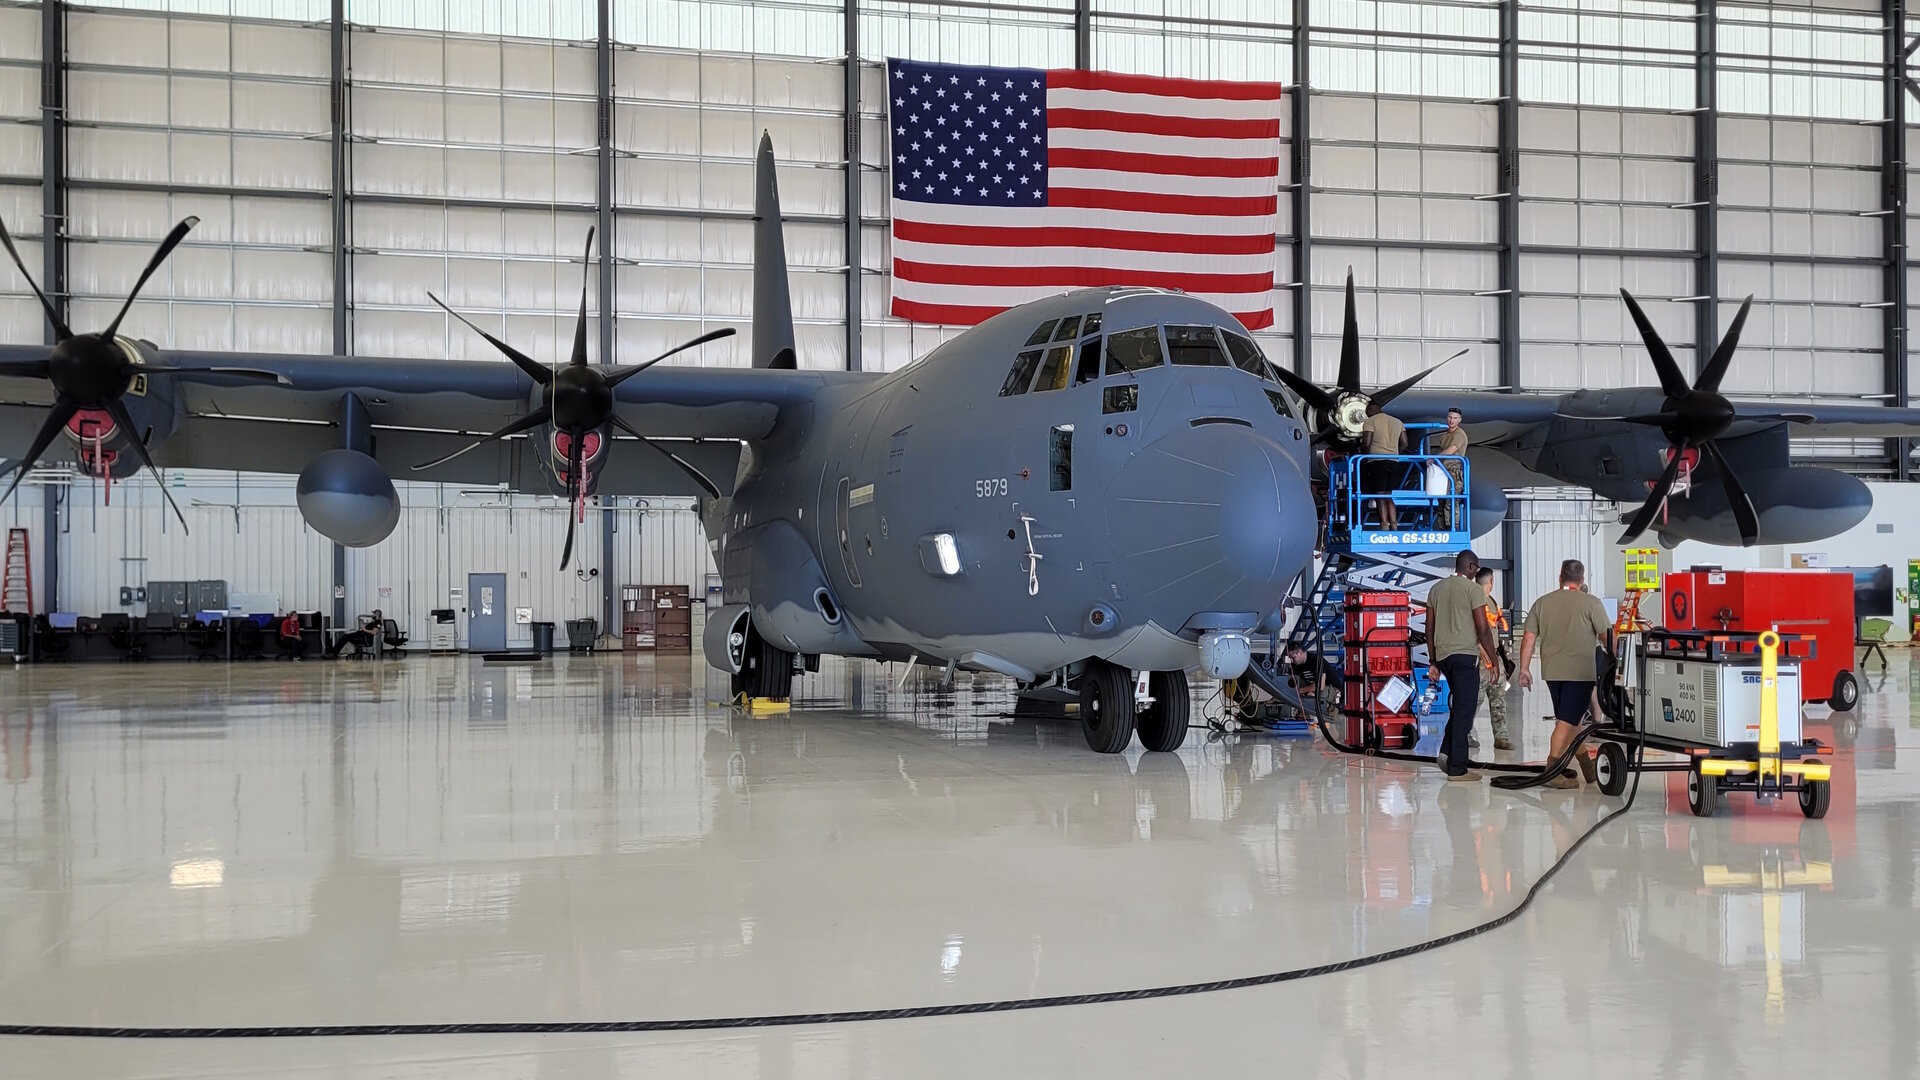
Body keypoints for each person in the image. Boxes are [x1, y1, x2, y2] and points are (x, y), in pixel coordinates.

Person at [1516, 560, 1613, 789]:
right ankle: (1552, 771)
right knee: (1567, 721)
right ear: (1582, 580)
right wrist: (1618, 661)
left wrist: (1524, 668)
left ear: (1560, 578)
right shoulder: (1591, 603)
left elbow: (1528, 638)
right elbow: (1607, 637)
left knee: (1572, 721)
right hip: (1579, 673)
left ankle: (1587, 767)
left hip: (1552, 672)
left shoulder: (1542, 603)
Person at [1425, 549, 1499, 781]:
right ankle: (1457, 769)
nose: (1476, 572)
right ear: (1470, 567)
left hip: (1445, 656)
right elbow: (1483, 628)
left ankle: (1447, 753)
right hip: (1465, 656)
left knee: (1459, 707)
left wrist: (1433, 661)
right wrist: (1493, 660)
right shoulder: (1473, 590)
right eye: (1475, 568)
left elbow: (1429, 628)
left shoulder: (1436, 589)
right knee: (1466, 711)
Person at [1473, 567, 1514, 752]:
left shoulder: (1490, 601)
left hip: (1494, 657)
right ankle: (1464, 733)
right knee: (1475, 699)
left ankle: (1501, 737)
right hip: (1480, 660)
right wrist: (1480, 650)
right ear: (1491, 581)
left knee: (1498, 698)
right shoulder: (1473, 600)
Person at [1360, 401, 1407, 530]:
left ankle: (1384, 525)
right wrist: (1394, 453)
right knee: (1389, 494)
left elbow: (1366, 442)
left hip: (1377, 461)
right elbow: (1405, 444)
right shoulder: (1398, 422)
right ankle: (1394, 524)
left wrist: (1362, 453)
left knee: (1380, 495)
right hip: (1394, 462)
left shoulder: (1370, 421)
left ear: (1369, 411)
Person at [1430, 407, 1468, 529]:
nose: (1452, 420)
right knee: (1441, 502)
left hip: (1454, 471)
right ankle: (1443, 528)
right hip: (1444, 471)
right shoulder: (1445, 435)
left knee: (1451, 502)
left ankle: (1453, 528)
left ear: (1459, 420)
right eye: (1450, 417)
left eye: (1455, 418)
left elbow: (1451, 450)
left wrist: (1434, 458)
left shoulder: (1459, 435)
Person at [1283, 643, 1340, 708]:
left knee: (1314, 693)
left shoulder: (1316, 660)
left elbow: (1320, 686)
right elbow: (1289, 682)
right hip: (1314, 689)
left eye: (1293, 657)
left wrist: (1298, 691)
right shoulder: (1297, 665)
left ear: (1299, 653)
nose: (1292, 661)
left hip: (1335, 692)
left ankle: (1328, 707)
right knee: (1295, 682)